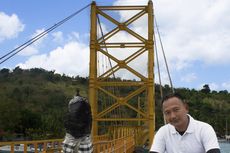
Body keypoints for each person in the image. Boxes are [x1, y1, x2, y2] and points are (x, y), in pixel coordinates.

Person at [149, 93, 220, 153]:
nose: (172, 116)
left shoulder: (204, 129)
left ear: (186, 108)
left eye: (176, 110)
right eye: (167, 113)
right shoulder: (163, 131)